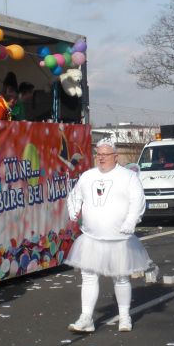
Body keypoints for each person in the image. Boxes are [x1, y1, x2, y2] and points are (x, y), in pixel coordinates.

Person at [65, 138, 152, 333]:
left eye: (105, 155)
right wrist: (74, 210)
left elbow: (137, 200)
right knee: (88, 276)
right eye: (98, 154)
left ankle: (124, 316)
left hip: (119, 238)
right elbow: (75, 195)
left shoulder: (128, 177)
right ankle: (86, 317)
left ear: (116, 156)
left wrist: (130, 221)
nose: (101, 158)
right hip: (91, 237)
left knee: (120, 277)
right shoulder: (88, 176)